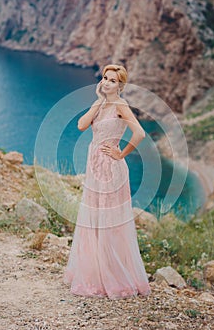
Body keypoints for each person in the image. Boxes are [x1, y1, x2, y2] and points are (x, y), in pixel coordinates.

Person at [63, 64, 151, 299]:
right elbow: (81, 125)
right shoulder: (100, 103)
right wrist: (97, 100)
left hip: (111, 168)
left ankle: (113, 276)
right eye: (105, 78)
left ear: (120, 86)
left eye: (112, 80)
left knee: (108, 221)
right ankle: (95, 272)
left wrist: (120, 154)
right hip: (94, 166)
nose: (107, 82)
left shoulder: (121, 106)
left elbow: (139, 133)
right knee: (93, 218)